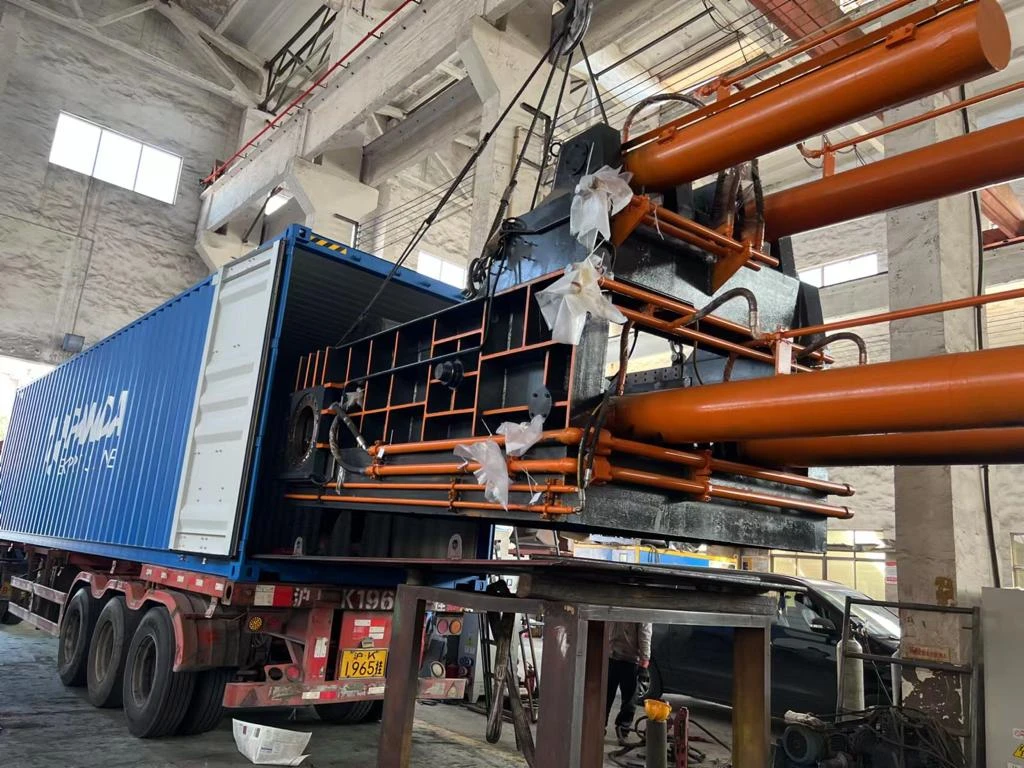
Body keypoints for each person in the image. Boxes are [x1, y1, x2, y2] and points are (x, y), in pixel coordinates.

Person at [605, 621, 652, 744]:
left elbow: (645, 633)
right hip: (612, 656)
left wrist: (644, 660)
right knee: (607, 696)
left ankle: (622, 729)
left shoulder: (641, 611)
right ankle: (608, 728)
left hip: (629, 659)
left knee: (628, 699)